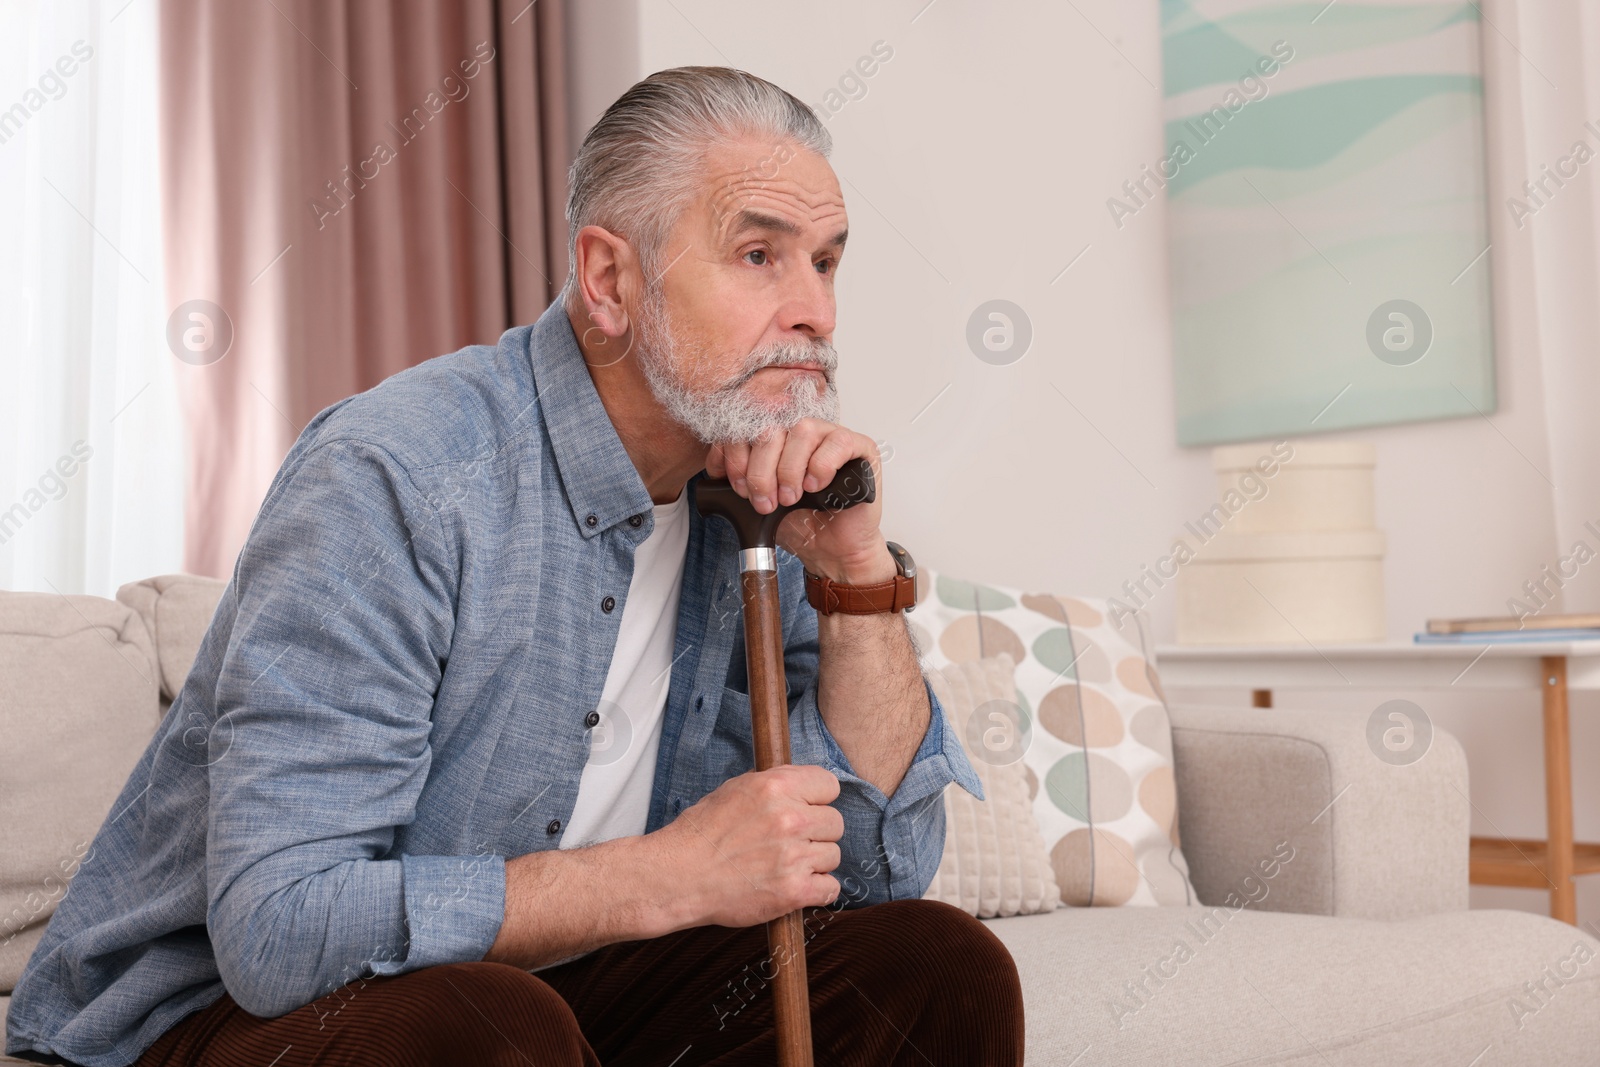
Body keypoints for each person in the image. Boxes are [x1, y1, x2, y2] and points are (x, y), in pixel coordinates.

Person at [4, 66, 1024, 1067]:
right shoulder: (396, 475)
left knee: (938, 964)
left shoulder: (756, 512)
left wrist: (852, 579)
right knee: (490, 1029)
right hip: (210, 1017)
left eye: (827, 262)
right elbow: (280, 929)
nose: (815, 313)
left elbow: (880, 870)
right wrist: (665, 875)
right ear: (609, 280)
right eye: (759, 255)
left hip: (553, 985)